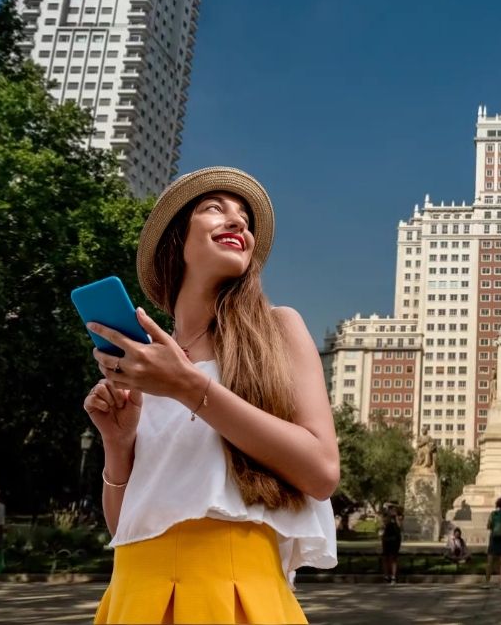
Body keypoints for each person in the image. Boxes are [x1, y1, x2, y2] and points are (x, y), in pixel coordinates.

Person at [81, 168, 338, 624]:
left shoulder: (279, 329)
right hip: (131, 595)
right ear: (177, 238)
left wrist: (188, 386)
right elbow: (127, 527)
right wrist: (118, 446)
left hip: (237, 596)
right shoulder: (145, 362)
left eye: (245, 218)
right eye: (215, 208)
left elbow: (321, 471)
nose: (239, 222)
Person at [380, 504, 403, 584]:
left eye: (393, 509)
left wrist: (396, 517)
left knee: (393, 558)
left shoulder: (398, 517)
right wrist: (388, 517)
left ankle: (393, 576)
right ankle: (386, 575)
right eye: (390, 509)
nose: (391, 511)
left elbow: (400, 526)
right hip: (387, 538)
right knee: (386, 557)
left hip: (395, 539)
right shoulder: (386, 517)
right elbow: (383, 525)